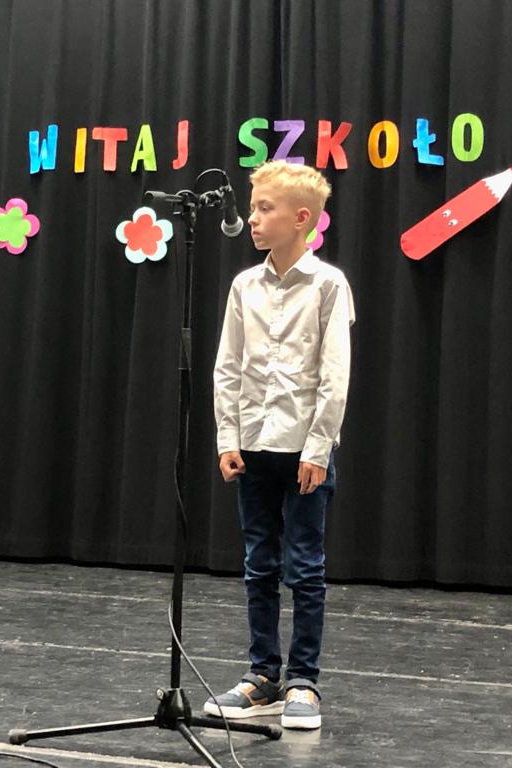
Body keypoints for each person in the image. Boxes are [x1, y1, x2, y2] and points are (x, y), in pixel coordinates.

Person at [207, 161, 354, 729]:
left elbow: (334, 374)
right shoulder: (244, 286)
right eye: (253, 207)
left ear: (301, 218)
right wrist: (227, 436)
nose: (252, 217)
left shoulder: (328, 284)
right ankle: (262, 675)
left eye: (265, 208)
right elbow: (228, 367)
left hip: (303, 451)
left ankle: (303, 682)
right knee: (258, 564)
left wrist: (318, 447)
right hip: (253, 445)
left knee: (306, 567)